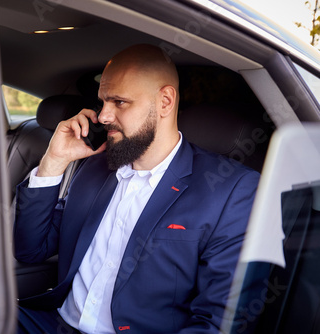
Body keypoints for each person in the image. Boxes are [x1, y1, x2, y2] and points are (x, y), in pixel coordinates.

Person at [14, 44, 260, 333]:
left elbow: (219, 323)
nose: (103, 116)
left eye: (119, 102)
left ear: (165, 101)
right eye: (103, 101)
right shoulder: (94, 167)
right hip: (52, 323)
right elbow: (30, 250)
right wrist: (53, 162)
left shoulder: (231, 191)